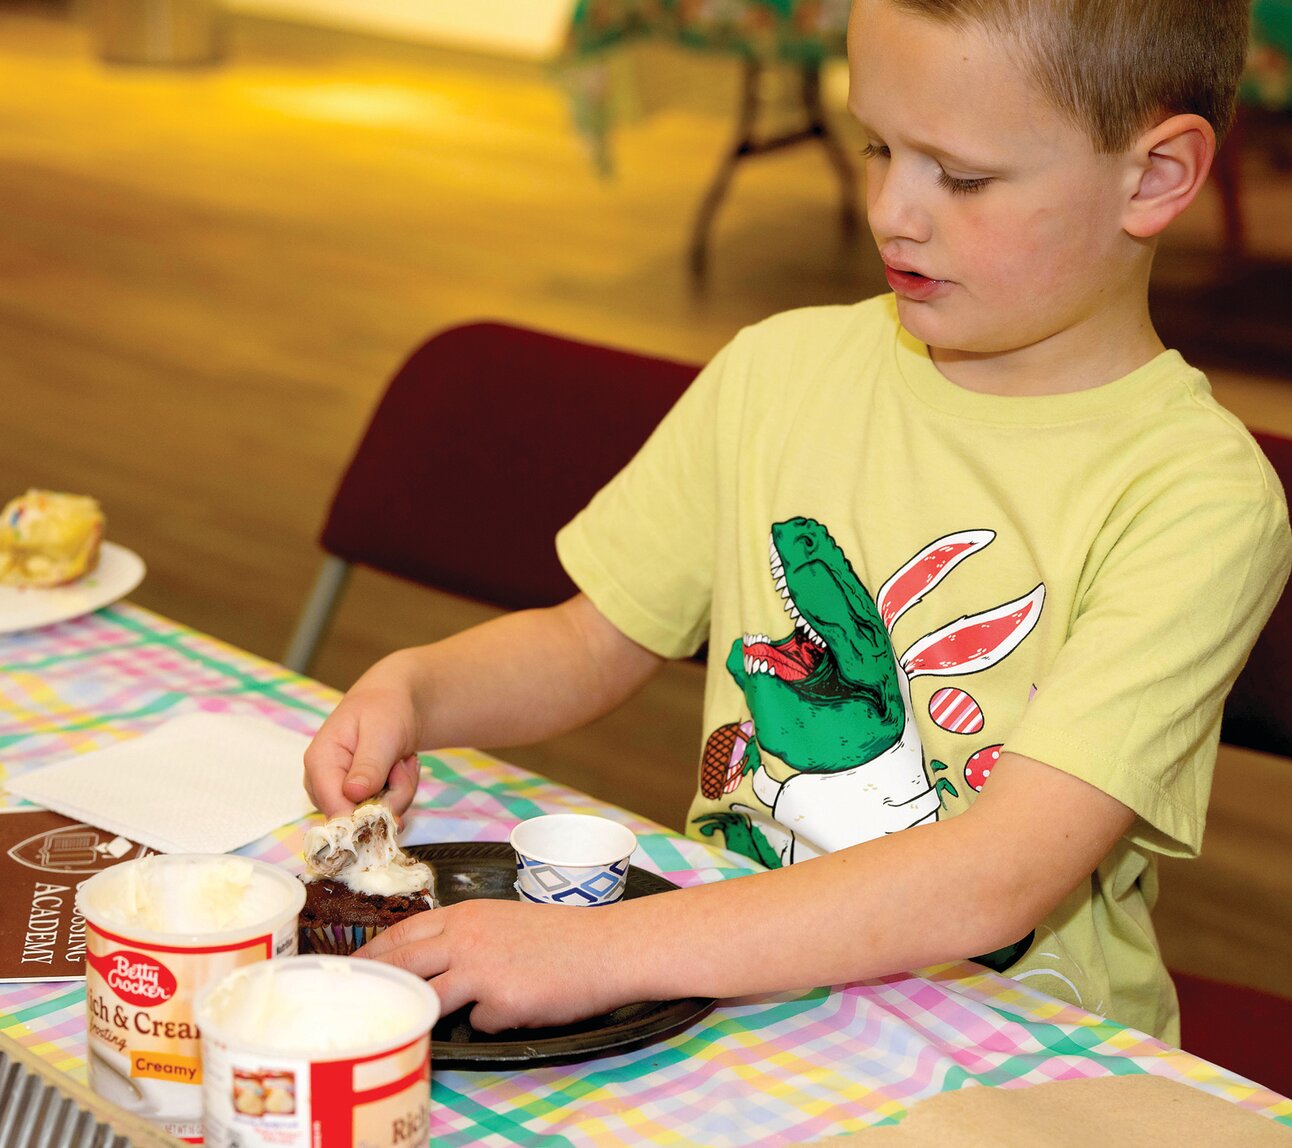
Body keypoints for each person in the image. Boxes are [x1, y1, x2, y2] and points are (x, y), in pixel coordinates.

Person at [303, 0, 1291, 1044]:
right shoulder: (778, 372)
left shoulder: (1194, 496)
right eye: (877, 145)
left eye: (960, 176)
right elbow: (590, 637)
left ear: (1156, 178)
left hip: (1010, 1055)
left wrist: (595, 951)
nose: (893, 212)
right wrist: (419, 686)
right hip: (726, 995)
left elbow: (995, 878)